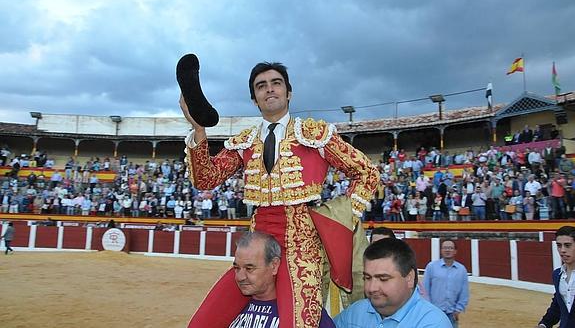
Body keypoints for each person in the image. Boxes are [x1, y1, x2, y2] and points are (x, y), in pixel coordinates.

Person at [182, 59, 379, 327]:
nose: (269, 89)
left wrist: (341, 217)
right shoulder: (245, 141)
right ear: (255, 99)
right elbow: (206, 179)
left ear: (289, 92)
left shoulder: (313, 134)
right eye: (261, 86)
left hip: (302, 248)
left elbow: (366, 172)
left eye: (276, 83)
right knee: (201, 323)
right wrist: (199, 130)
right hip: (255, 249)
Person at [334, 238, 451, 327]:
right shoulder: (354, 313)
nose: (372, 288)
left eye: (383, 278)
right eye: (367, 278)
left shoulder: (433, 323)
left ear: (409, 277)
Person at [230, 231, 335, 327]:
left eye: (249, 268)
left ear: (274, 266)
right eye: (237, 268)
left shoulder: (305, 312)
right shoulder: (230, 307)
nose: (240, 277)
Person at [423, 240, 469, 327]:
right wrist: (429, 309)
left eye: (450, 248)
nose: (447, 250)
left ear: (455, 251)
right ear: (441, 250)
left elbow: (464, 292)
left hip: (452, 314)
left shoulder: (461, 270)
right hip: (434, 312)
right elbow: (425, 290)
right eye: (445, 248)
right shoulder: (431, 267)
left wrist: (458, 310)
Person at [537, 225, 575, 328]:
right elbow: (558, 306)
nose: (562, 250)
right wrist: (544, 324)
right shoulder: (557, 275)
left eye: (567, 245)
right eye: (559, 245)